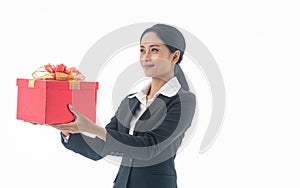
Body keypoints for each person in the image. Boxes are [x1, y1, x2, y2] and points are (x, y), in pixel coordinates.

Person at [50, 23, 196, 188]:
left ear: (174, 56)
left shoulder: (183, 101)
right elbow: (100, 147)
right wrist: (65, 127)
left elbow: (149, 147)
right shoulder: (132, 100)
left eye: (154, 50)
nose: (146, 56)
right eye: (142, 50)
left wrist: (92, 128)